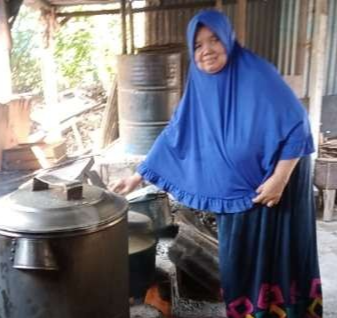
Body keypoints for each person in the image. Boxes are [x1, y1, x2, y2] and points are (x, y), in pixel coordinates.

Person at [110, 10, 322, 317]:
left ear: (228, 40)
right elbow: (175, 136)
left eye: (213, 40)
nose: (206, 49)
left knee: (280, 261)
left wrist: (280, 178)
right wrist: (137, 176)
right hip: (236, 196)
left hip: (275, 191)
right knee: (239, 264)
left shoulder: (256, 74)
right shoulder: (200, 88)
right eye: (197, 45)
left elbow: (297, 124)